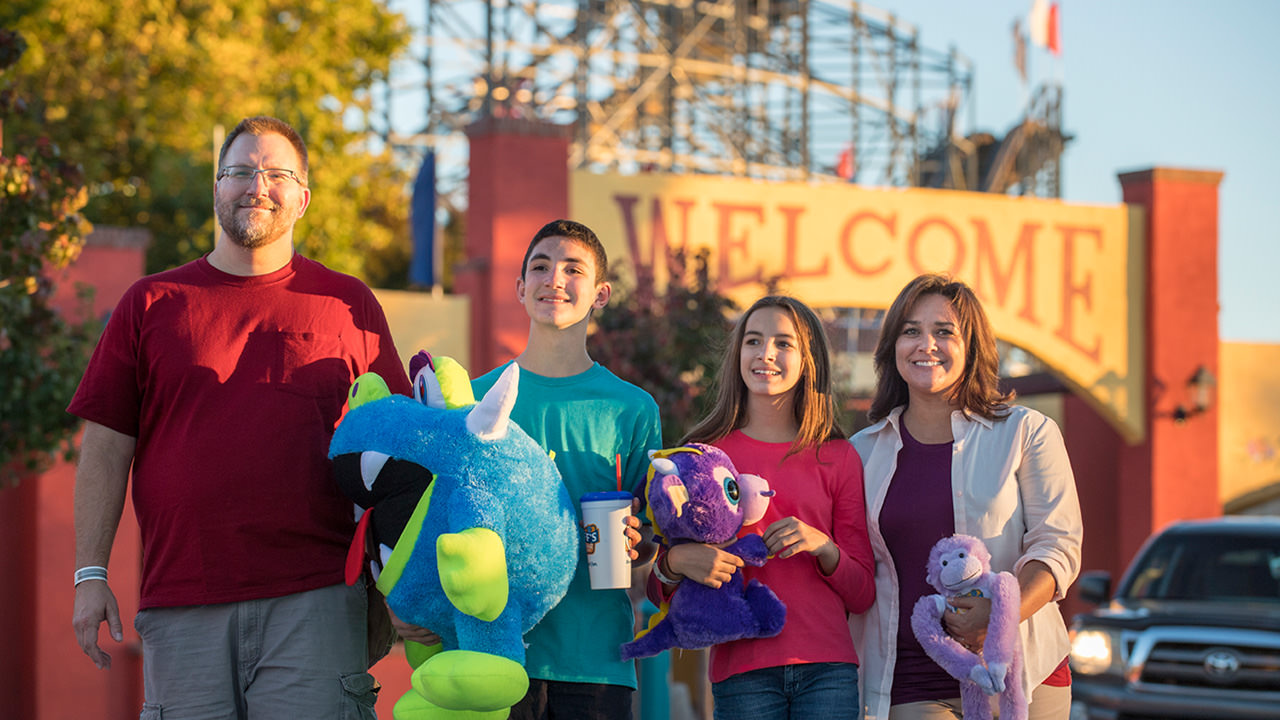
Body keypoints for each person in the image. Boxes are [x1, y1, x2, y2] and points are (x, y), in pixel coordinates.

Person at [68, 116, 413, 719]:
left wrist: (409, 583)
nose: (257, 185)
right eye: (241, 171)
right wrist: (89, 574)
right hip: (183, 599)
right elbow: (104, 447)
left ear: (302, 198)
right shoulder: (149, 304)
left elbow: (400, 449)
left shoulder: (348, 303)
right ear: (216, 189)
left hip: (318, 596)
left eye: (277, 174)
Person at [850, 273, 1083, 720]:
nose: (926, 345)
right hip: (912, 676)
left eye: (944, 332)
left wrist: (997, 616)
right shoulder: (862, 452)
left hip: (1022, 671)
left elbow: (1057, 546)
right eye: (911, 331)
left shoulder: (1027, 432)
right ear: (892, 347)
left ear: (972, 346)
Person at [470, 219, 662, 720]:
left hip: (596, 661)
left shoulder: (633, 409)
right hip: (493, 655)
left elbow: (650, 541)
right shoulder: (476, 399)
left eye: (572, 269)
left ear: (600, 294)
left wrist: (641, 541)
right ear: (520, 288)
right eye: (541, 267)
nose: (554, 279)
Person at [653, 295, 875, 720]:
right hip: (741, 673)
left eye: (783, 343)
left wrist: (823, 546)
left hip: (828, 670)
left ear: (809, 360)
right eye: (753, 340)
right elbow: (658, 585)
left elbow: (863, 591)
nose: (765, 354)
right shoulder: (705, 454)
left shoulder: (839, 456)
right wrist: (680, 559)